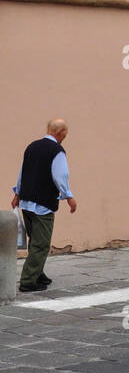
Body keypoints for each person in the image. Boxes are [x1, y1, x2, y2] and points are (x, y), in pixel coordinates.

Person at [11, 118, 77, 293]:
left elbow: (22, 172)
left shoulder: (32, 146)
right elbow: (60, 176)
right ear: (60, 133)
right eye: (65, 134)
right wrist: (68, 196)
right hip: (42, 204)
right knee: (41, 243)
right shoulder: (57, 151)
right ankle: (28, 280)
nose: (65, 137)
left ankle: (38, 273)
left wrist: (17, 193)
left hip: (26, 201)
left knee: (35, 240)